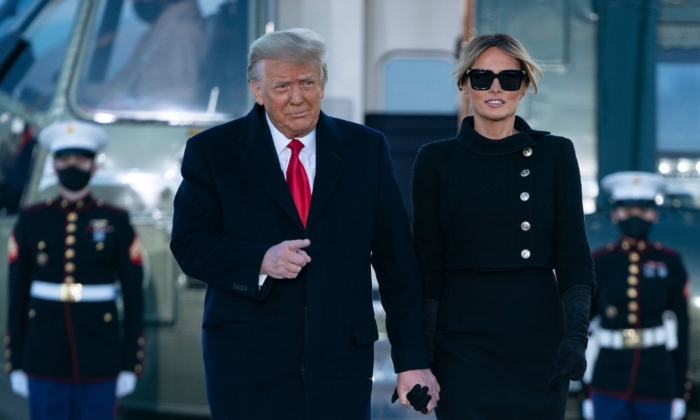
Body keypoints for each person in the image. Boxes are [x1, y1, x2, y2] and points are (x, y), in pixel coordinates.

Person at [170, 28, 439, 419]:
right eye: (282, 86)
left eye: (307, 82)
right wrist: (260, 260)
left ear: (323, 82)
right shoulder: (213, 152)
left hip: (341, 366)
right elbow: (190, 244)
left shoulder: (366, 149)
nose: (297, 97)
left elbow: (397, 263)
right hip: (245, 363)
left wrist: (411, 360)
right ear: (257, 91)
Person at [411, 33, 597, 419]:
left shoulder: (554, 154)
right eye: (482, 77)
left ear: (524, 86)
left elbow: (574, 254)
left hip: (537, 337)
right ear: (465, 84)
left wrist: (576, 337)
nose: (495, 88)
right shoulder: (435, 161)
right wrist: (422, 358)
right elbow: (427, 264)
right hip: (462, 339)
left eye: (509, 78)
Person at [4, 121, 144, 420]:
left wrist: (130, 363)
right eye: (65, 158)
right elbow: (16, 296)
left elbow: (134, 300)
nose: (72, 165)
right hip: (43, 353)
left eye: (80, 158)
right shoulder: (32, 220)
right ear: (54, 166)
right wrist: (15, 361)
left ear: (93, 167)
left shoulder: (115, 221)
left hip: (99, 354)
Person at [582, 172, 690, 420]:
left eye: (642, 210)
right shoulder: (600, 262)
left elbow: (681, 329)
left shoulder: (669, 262)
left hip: (656, 380)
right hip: (608, 379)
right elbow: (584, 328)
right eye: (627, 209)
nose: (634, 216)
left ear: (654, 215)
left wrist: (678, 392)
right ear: (614, 214)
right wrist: (587, 391)